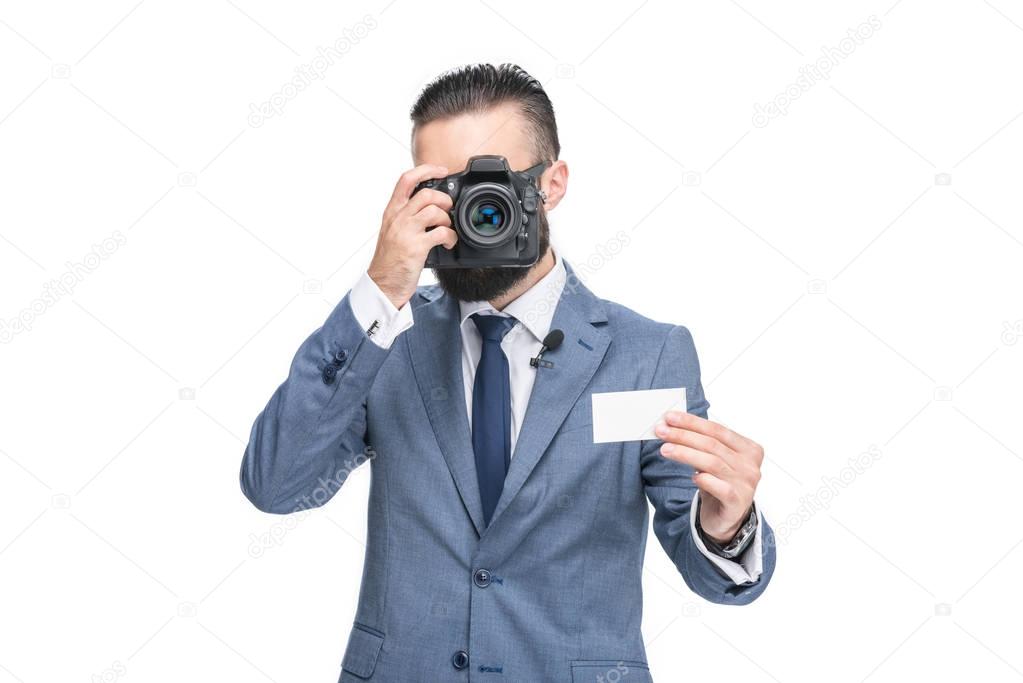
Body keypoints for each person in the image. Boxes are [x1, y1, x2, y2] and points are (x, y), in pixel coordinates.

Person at [240, 63, 775, 682]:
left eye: (490, 186)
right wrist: (381, 288)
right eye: (444, 191)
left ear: (552, 183)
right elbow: (276, 485)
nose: (472, 213)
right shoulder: (383, 339)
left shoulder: (646, 355)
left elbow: (711, 571)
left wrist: (725, 524)